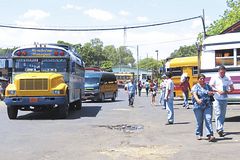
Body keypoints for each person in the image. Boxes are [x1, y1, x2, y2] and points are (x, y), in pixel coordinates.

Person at [209, 65, 234, 137]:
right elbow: (210, 86)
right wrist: (217, 90)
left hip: (224, 98)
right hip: (217, 98)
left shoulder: (228, 78)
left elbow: (232, 88)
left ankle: (220, 128)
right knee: (218, 113)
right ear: (218, 72)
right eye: (221, 72)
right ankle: (219, 129)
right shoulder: (214, 77)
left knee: (223, 115)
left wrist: (227, 91)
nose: (222, 74)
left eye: (223, 73)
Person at [192, 74, 216, 142]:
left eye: (203, 79)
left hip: (208, 105)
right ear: (198, 79)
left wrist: (211, 93)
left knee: (208, 119)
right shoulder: (195, 86)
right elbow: (194, 94)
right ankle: (198, 133)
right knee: (199, 121)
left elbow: (212, 92)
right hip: (198, 106)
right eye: (201, 78)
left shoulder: (208, 86)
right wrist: (198, 100)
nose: (202, 80)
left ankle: (210, 135)